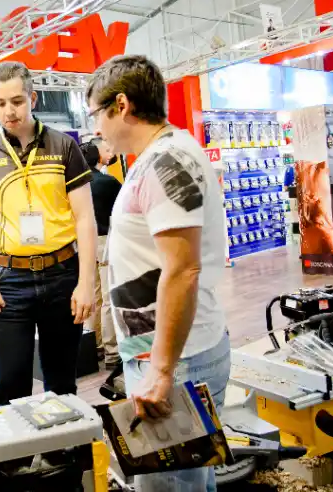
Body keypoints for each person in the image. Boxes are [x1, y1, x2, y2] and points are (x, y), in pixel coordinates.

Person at [87, 55, 229, 492]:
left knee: (169, 486)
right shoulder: (165, 154)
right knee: (192, 482)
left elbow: (183, 269)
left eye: (96, 114)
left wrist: (162, 371)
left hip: (173, 359)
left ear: (122, 105)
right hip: (173, 351)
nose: (95, 128)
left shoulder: (165, 165)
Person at [0, 61, 98, 407]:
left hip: (62, 275)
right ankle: (13, 461)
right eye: (0, 103)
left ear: (33, 98)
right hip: (9, 282)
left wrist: (85, 283)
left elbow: (85, 218)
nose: (9, 111)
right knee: (9, 382)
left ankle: (63, 457)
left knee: (63, 381)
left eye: (17, 101)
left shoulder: (64, 146)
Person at [78, 141, 122, 369]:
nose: (111, 152)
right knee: (107, 298)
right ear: (97, 157)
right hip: (105, 242)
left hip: (82, 244)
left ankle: (92, 345)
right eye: (106, 150)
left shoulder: (75, 184)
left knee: (92, 295)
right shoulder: (108, 182)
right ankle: (112, 352)